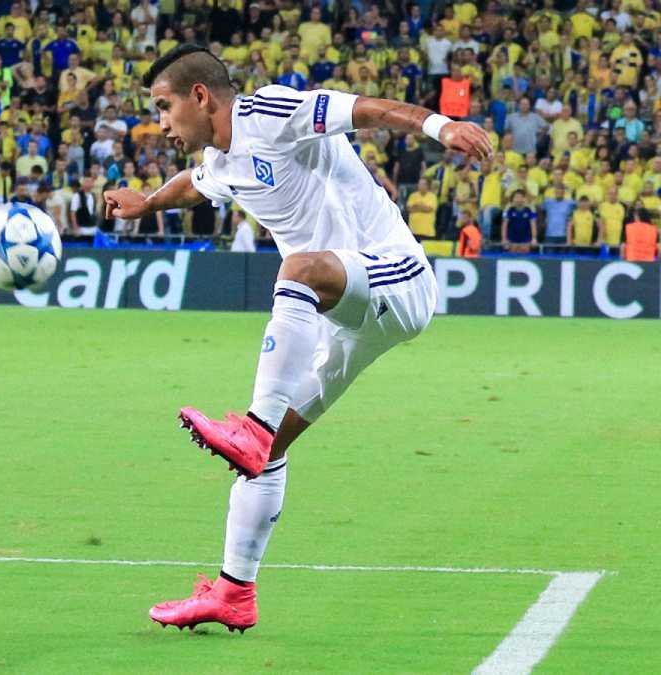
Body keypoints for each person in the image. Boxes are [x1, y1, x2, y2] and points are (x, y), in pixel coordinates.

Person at [103, 44, 491, 633]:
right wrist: (149, 202)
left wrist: (441, 126)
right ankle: (234, 591)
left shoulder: (271, 113)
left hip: (396, 278)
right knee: (268, 456)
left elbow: (366, 109)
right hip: (339, 320)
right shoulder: (223, 161)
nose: (160, 123)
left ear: (200, 96)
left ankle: (253, 426)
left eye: (163, 106)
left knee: (299, 269)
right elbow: (196, 185)